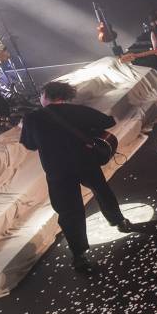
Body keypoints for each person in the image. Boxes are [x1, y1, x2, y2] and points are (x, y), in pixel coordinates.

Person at [20, 80, 129, 274]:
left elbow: (29, 145)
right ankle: (119, 221)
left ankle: (79, 256)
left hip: (58, 171)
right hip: (85, 163)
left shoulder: (32, 118)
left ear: (45, 95)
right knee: (102, 191)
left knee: (70, 212)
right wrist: (88, 133)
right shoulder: (77, 110)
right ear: (64, 96)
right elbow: (109, 122)